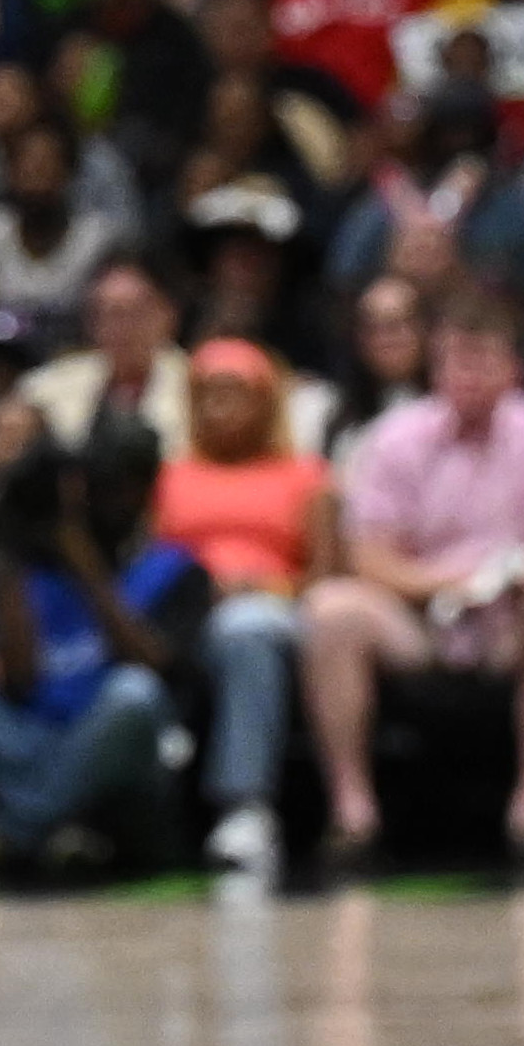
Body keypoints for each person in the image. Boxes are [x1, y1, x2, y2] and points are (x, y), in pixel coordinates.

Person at [302, 284, 524, 866]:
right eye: (455, 360)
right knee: (331, 609)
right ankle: (352, 812)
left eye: (482, 359)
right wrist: (445, 583)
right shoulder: (395, 438)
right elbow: (368, 557)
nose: (468, 374)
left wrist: (509, 583)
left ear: (512, 368)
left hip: (511, 621)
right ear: (435, 367)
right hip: (419, 618)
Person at [0, 423, 206, 868]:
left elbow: (154, 668)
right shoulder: (32, 571)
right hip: (32, 740)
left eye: (115, 488)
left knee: (133, 694)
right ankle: (46, 820)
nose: (99, 503)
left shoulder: (174, 567)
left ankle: (11, 829)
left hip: (122, 750)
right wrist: (9, 556)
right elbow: (21, 682)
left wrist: (87, 569)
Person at [149, 339, 333, 879]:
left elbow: (325, 578)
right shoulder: (169, 477)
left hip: (273, 616)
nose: (217, 407)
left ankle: (244, 806)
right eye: (205, 395)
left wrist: (267, 586)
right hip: (186, 614)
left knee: (246, 627)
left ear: (266, 402)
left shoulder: (308, 477)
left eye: (233, 394)